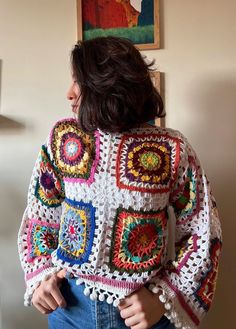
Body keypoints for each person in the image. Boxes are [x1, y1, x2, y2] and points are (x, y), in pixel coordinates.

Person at [18, 36, 222, 329]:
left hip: (145, 315)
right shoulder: (64, 140)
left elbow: (204, 230)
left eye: (79, 81)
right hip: (69, 309)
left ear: (109, 83)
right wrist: (41, 276)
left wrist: (164, 297)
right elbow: (40, 218)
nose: (69, 93)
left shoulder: (171, 148)